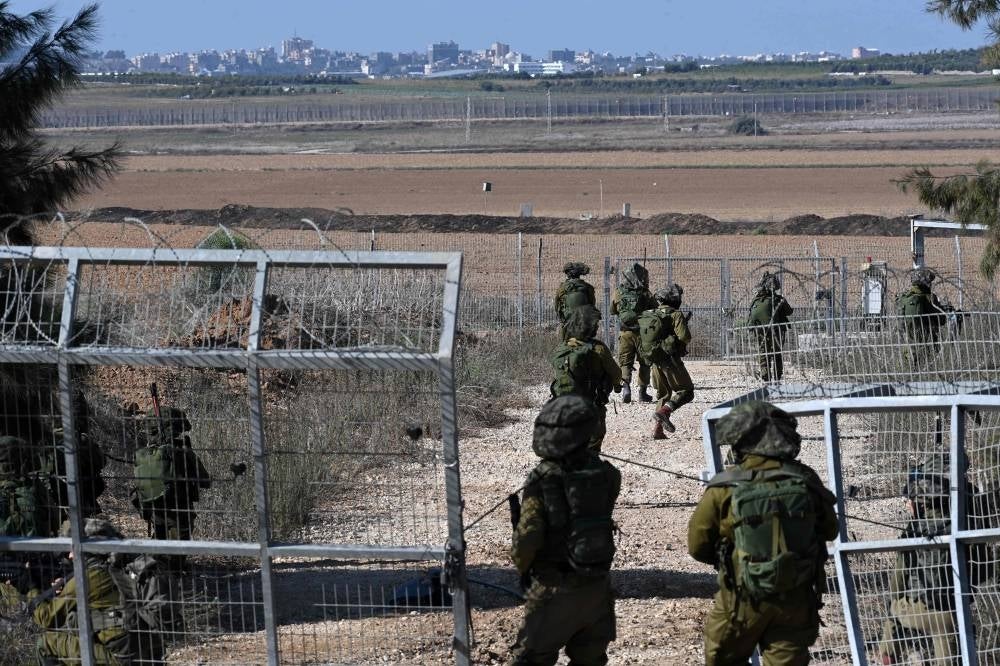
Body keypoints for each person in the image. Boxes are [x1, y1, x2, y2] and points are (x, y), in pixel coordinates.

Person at [688, 401, 838, 666]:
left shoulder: (726, 485)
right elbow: (829, 530)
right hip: (796, 597)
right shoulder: (805, 478)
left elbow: (698, 546)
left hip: (742, 599)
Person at [510, 395, 621, 665]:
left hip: (554, 587)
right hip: (597, 587)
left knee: (530, 658)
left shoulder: (543, 478)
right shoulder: (608, 474)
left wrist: (522, 567)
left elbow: (528, 537)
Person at [875, 457, 990, 664]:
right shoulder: (967, 524)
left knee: (892, 617)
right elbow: (984, 569)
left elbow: (898, 578)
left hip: (911, 610)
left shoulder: (916, 527)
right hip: (948, 613)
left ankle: (887, 655)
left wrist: (893, 605)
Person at [32, 518, 129, 665]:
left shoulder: (88, 577)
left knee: (46, 643)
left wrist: (29, 589)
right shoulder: (120, 565)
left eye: (74, 549)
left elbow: (46, 618)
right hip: (141, 652)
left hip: (117, 659)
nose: (70, 556)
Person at [131, 407, 211, 564]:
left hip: (155, 512)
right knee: (177, 555)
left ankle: (152, 572)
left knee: (158, 548)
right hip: (179, 512)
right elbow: (205, 481)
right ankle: (173, 576)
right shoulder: (182, 451)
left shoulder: (144, 454)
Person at [549, 305, 622, 452]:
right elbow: (616, 373)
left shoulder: (561, 348)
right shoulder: (598, 349)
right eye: (595, 325)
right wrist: (616, 384)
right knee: (592, 444)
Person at [637, 284, 694, 440]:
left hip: (655, 359)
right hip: (670, 360)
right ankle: (664, 412)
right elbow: (684, 337)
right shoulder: (675, 314)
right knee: (686, 391)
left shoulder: (651, 313)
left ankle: (658, 430)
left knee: (663, 394)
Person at [611, 262, 656, 404]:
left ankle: (626, 388)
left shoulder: (619, 292)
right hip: (643, 333)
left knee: (625, 362)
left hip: (625, 333)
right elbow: (655, 308)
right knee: (645, 362)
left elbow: (613, 310)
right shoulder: (645, 292)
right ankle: (643, 393)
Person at [895, 268, 951, 364]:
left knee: (907, 372)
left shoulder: (904, 298)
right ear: (926, 283)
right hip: (927, 345)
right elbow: (941, 320)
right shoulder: (929, 298)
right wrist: (946, 310)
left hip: (907, 345)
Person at [747, 272, 793, 382]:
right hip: (776, 331)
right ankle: (777, 378)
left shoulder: (755, 300)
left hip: (760, 331)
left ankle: (765, 377)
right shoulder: (778, 299)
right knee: (776, 353)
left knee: (764, 353)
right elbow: (789, 312)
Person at [554, 262, 596, 340]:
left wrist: (563, 320)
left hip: (568, 323)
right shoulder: (588, 287)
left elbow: (557, 307)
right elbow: (592, 304)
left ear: (567, 274)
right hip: (585, 324)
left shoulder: (562, 289)